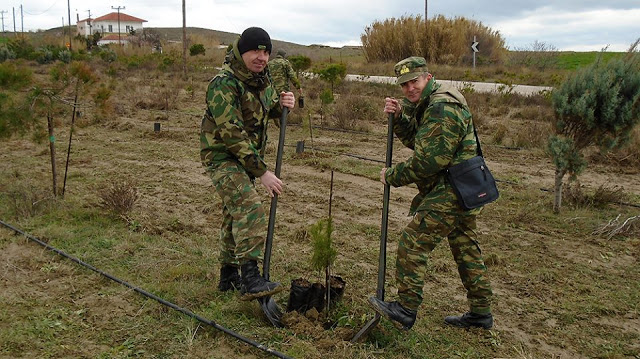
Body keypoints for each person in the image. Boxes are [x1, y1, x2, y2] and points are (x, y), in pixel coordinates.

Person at [368, 56, 494, 330]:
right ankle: (481, 313)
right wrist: (401, 116)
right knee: (465, 248)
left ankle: (405, 309)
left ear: (427, 77)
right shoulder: (430, 101)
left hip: (453, 187)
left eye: (414, 81)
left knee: (413, 242)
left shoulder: (441, 106)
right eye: (404, 85)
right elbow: (420, 140)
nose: (409, 89)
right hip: (463, 185)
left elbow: (429, 161)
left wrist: (393, 175)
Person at [200, 27, 295, 301]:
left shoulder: (261, 81)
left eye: (266, 52)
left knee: (233, 214)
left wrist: (284, 104)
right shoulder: (224, 83)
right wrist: (262, 172)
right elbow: (231, 133)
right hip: (222, 156)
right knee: (249, 207)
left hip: (244, 158)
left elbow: (269, 110)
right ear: (242, 52)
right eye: (255, 51)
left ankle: (228, 276)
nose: (261, 57)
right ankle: (250, 277)